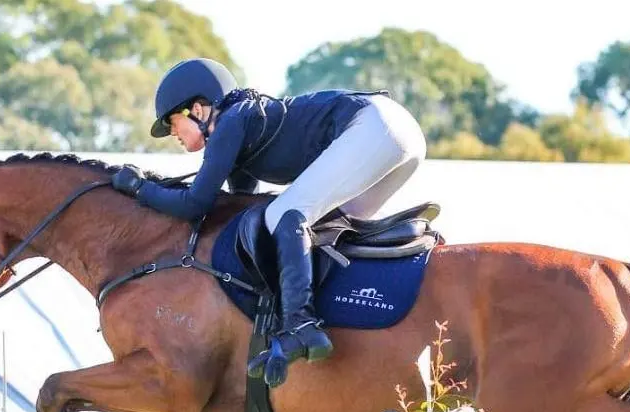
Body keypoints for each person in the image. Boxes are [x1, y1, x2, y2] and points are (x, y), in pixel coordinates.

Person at [110, 58, 427, 387]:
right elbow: (232, 206)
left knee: (285, 216)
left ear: (198, 110)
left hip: (375, 125)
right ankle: (348, 316)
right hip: (401, 134)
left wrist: (139, 188)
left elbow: (195, 203)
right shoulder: (239, 127)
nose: (172, 133)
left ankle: (300, 326)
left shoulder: (229, 122)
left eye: (173, 123)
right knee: (327, 228)